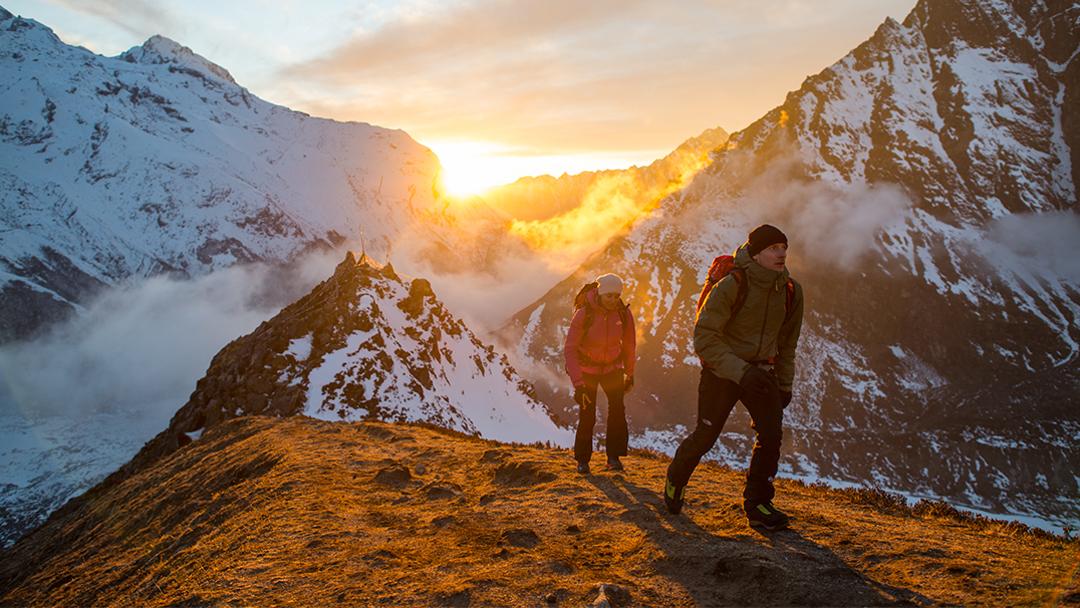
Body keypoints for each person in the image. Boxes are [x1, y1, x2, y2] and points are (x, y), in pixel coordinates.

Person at [664, 224, 804, 531]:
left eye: (784, 247)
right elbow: (704, 337)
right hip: (722, 373)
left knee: (771, 436)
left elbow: (787, 343)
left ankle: (759, 505)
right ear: (755, 254)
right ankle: (676, 477)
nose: (781, 253)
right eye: (773, 248)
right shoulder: (733, 284)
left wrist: (784, 384)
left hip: (762, 372)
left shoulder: (790, 291)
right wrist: (741, 371)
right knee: (706, 436)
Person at [564, 273, 636, 475]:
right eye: (609, 296)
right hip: (587, 371)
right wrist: (578, 384)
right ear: (600, 293)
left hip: (613, 369)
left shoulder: (623, 313)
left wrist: (629, 374)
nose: (613, 300)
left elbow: (629, 345)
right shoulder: (584, 314)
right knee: (587, 414)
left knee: (617, 412)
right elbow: (570, 349)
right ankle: (582, 460)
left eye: (616, 295)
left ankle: (613, 458)